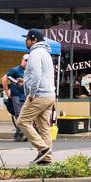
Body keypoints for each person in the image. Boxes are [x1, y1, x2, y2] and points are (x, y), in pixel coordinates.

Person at [18, 29, 57, 165]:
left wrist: (32, 94)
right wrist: (25, 82)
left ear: (33, 40)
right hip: (49, 95)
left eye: (27, 39)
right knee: (44, 127)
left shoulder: (35, 53)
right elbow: (42, 75)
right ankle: (46, 158)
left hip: (38, 96)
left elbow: (36, 75)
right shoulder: (46, 53)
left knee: (22, 122)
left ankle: (43, 148)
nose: (26, 41)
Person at [2, 55, 28, 141]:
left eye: (29, 61)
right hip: (16, 95)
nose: (27, 62)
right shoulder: (15, 70)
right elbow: (4, 78)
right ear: (22, 60)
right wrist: (6, 91)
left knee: (25, 115)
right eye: (26, 60)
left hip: (27, 95)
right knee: (18, 114)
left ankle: (19, 134)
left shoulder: (30, 71)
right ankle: (21, 133)